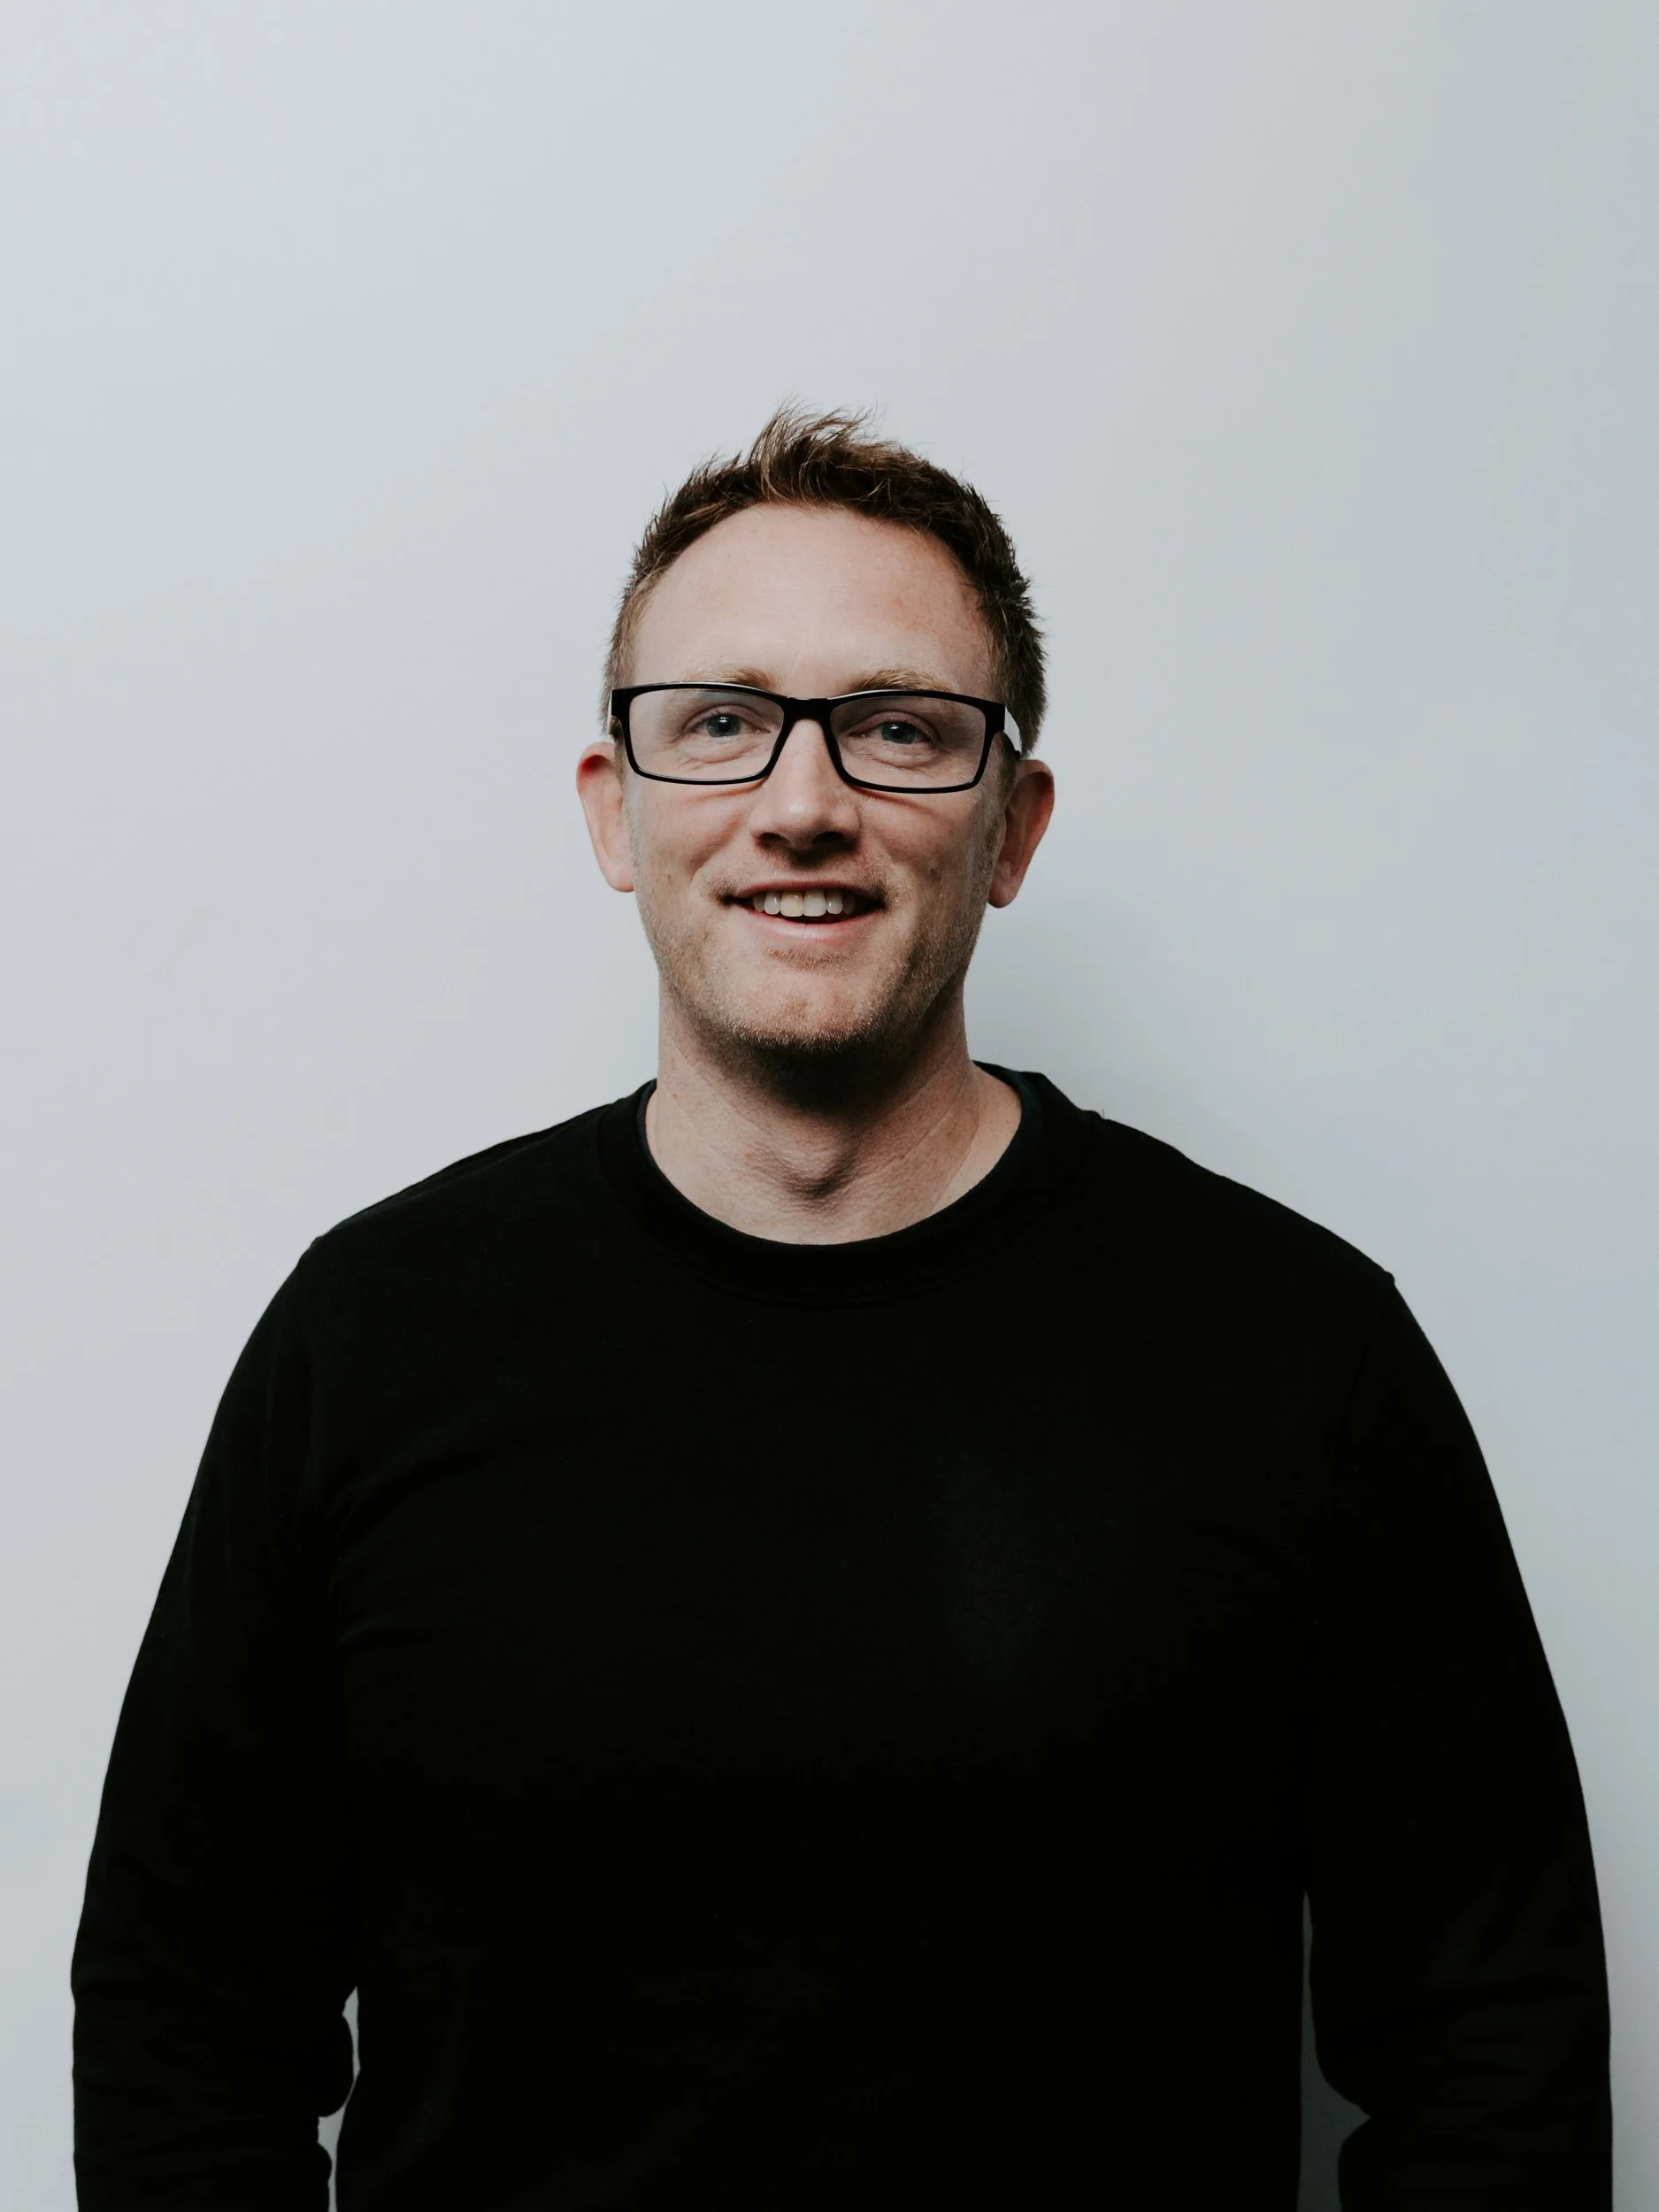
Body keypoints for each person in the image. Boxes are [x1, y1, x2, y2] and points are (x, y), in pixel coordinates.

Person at [72, 409, 1610, 2210]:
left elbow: (1492, 2051)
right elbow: (187, 2015)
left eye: (897, 729)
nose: (803, 801)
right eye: (719, 723)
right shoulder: (372, 1336)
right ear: (614, 809)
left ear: (1012, 823)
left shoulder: (1298, 1352)